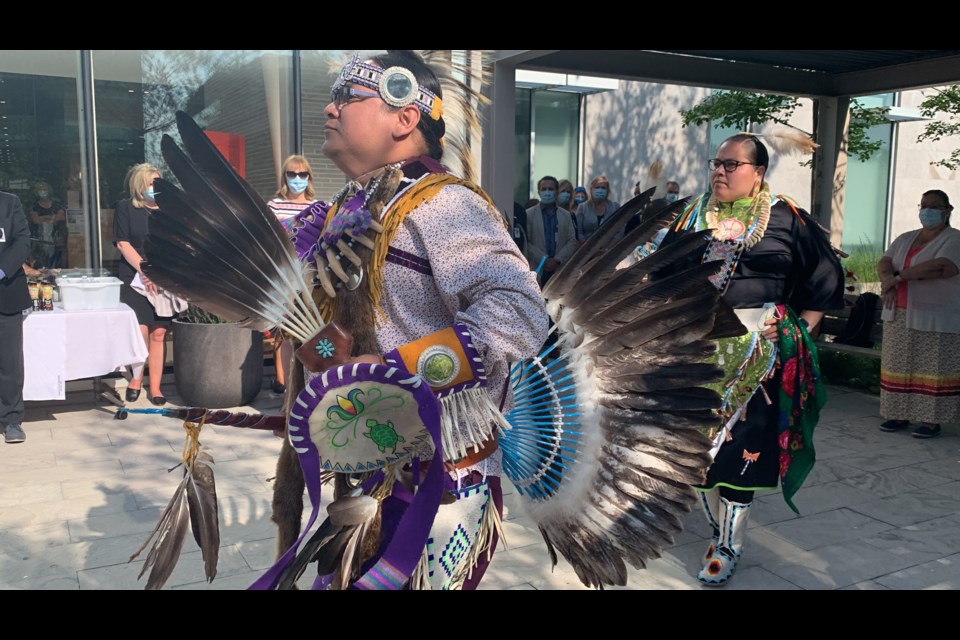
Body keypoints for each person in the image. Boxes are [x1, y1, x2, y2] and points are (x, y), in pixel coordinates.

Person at [262, 50, 547, 590]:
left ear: (405, 117)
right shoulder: (350, 207)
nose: (330, 108)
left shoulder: (444, 206)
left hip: (433, 484)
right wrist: (326, 370)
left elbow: (519, 312)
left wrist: (397, 369)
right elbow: (337, 337)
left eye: (348, 97)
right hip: (361, 471)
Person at [663, 133, 844, 586]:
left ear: (758, 172)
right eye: (716, 163)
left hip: (758, 353)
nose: (719, 171)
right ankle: (716, 532)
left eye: (731, 164)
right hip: (698, 349)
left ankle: (728, 545)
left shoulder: (786, 217)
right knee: (694, 451)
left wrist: (798, 329)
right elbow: (661, 274)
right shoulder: (691, 214)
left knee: (745, 448)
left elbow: (824, 276)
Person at [877, 189, 960, 439]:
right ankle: (897, 414)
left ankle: (930, 420)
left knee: (932, 367)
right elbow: (885, 261)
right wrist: (887, 279)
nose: (928, 210)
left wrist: (898, 277)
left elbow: (941, 267)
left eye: (934, 206)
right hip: (899, 312)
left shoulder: (954, 239)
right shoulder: (906, 237)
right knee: (898, 364)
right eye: (924, 205)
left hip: (936, 315)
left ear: (947, 210)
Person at [113, 163, 175, 406]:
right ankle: (136, 379)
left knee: (159, 333)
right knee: (140, 331)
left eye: (158, 182)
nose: (155, 187)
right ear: (140, 184)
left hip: (163, 277)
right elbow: (122, 243)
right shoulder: (126, 208)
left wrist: (159, 272)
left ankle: (157, 388)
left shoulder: (169, 212)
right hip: (134, 277)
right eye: (151, 182)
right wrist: (145, 270)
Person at [265, 155, 319, 395]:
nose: (297, 179)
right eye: (292, 174)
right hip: (284, 276)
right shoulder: (274, 206)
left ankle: (309, 388)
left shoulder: (319, 206)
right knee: (286, 333)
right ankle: (287, 389)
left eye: (302, 174)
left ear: (309, 177)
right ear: (285, 177)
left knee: (310, 333)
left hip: (311, 277)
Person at [0, 191, 31, 444]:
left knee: (9, 363)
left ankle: (11, 419)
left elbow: (22, 243)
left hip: (6, 293)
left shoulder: (11, 202)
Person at [525, 175, 578, 284]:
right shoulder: (529, 214)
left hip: (559, 269)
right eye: (544, 189)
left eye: (551, 189)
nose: (547, 192)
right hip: (537, 269)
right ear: (539, 192)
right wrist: (544, 259)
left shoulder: (566, 215)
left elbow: (572, 241)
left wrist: (557, 260)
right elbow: (527, 241)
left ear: (557, 192)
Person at [29, 181, 67, 268]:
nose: (43, 191)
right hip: (40, 239)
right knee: (42, 262)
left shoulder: (56, 203)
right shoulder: (34, 206)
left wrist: (43, 218)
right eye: (40, 189)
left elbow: (61, 217)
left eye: (44, 189)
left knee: (56, 261)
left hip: (56, 238)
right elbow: (35, 220)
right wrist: (53, 217)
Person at [576, 175, 620, 244]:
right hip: (585, 250)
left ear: (608, 190)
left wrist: (608, 249)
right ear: (591, 189)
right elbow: (579, 232)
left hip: (610, 250)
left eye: (603, 188)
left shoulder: (615, 207)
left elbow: (619, 231)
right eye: (597, 187)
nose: (600, 190)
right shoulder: (582, 207)